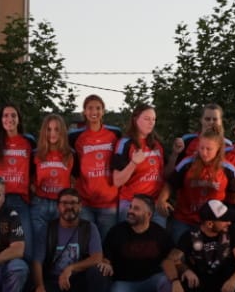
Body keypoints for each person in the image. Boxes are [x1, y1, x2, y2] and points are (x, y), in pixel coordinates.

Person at [28, 187, 106, 292]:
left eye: (73, 203)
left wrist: (71, 269)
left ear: (80, 206)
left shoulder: (89, 228)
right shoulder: (48, 229)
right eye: (64, 203)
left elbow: (97, 257)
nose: (69, 207)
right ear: (58, 207)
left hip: (78, 282)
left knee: (98, 271)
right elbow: (37, 261)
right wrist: (40, 287)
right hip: (54, 282)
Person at [100, 194, 174, 292]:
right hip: (124, 282)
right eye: (130, 207)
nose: (130, 211)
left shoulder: (159, 233)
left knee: (166, 283)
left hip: (152, 281)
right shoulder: (117, 231)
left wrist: (176, 278)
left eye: (136, 209)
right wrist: (106, 263)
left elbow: (171, 257)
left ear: (148, 214)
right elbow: (106, 256)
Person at [165, 130, 235, 242]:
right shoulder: (187, 163)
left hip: (212, 223)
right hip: (185, 219)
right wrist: (162, 199)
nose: (204, 152)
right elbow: (171, 184)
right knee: (179, 252)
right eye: (201, 148)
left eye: (209, 149)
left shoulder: (228, 169)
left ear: (218, 149)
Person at [28, 113, 75, 275]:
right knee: (39, 247)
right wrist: (34, 189)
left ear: (62, 132)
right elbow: (28, 178)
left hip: (61, 206)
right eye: (49, 129)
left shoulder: (70, 155)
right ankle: (36, 285)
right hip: (40, 204)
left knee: (60, 246)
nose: (52, 133)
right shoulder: (36, 154)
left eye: (56, 129)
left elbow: (74, 179)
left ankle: (56, 282)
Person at [0, 104, 36, 267]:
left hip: (20, 200)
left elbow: (34, 169)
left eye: (13, 115)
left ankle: (27, 288)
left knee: (27, 245)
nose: (9, 119)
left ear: (19, 119)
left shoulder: (28, 142)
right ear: (1, 120)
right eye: (5, 115)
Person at [69, 94, 121, 236]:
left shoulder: (114, 133)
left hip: (109, 201)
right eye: (90, 108)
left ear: (103, 111)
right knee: (87, 244)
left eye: (98, 108)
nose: (94, 112)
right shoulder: (75, 137)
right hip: (85, 202)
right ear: (84, 112)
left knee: (107, 245)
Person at [111, 103, 168, 224]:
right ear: (135, 119)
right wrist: (133, 163)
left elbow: (166, 175)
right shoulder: (125, 143)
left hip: (155, 203)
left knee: (157, 241)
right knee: (130, 241)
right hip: (131, 203)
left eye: (153, 119)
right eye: (147, 119)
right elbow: (117, 181)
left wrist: (175, 155)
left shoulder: (157, 144)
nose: (151, 122)